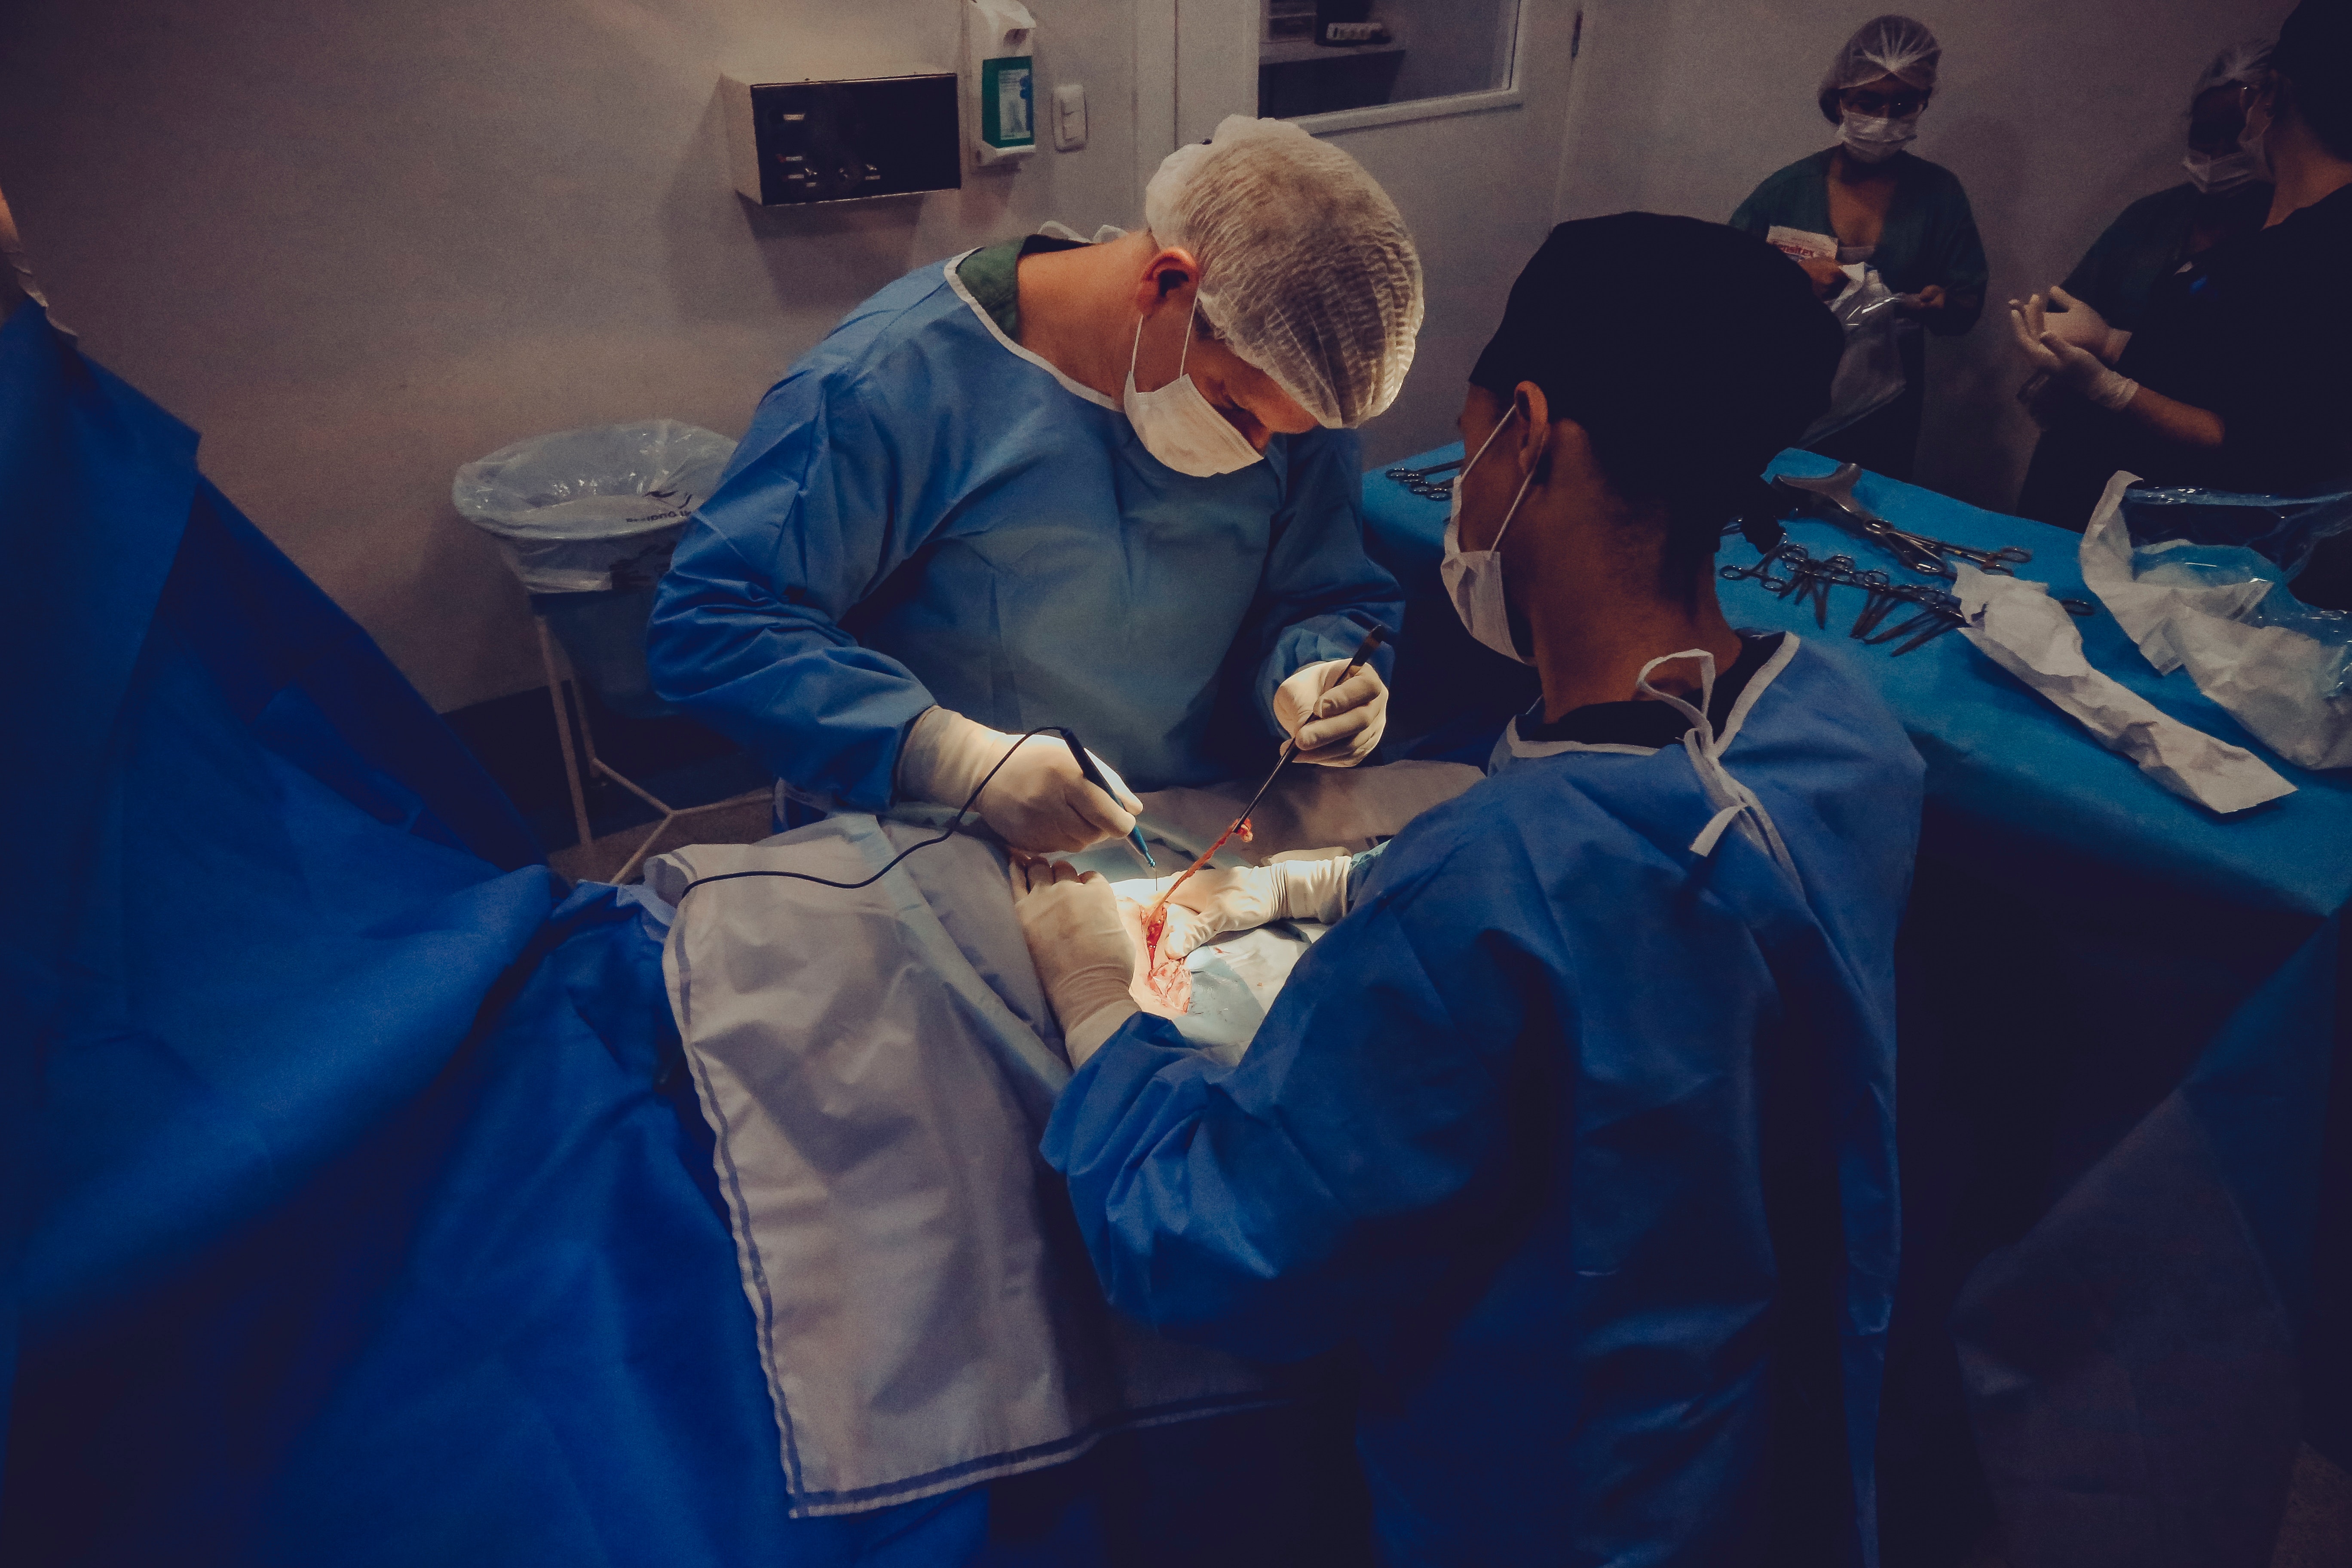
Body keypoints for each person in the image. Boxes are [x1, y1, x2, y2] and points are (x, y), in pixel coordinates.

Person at [1008, 214, 1924, 1565]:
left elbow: (1217, 1243)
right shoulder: (1842, 740)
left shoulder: (1493, 888)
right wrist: (1323, 884)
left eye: (1470, 431)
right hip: (1761, 1462)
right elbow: (1649, 896)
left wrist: (1104, 1011)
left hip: (1556, 1504)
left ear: (1530, 434)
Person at [648, 116, 1420, 853]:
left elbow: (1322, 589)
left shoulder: (1288, 385)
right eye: (1230, 403)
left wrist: (1321, 672)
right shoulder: (889, 384)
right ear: (1164, 284)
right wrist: (952, 757)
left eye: (1283, 432)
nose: (1255, 449)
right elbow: (713, 621)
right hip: (931, 838)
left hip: (1178, 826)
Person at [2009, 0, 2352, 604]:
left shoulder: (2294, 258)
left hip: (2197, 575)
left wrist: (2108, 387)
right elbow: (2242, 370)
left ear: (2270, 95)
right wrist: (2114, 344)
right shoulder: (2287, 245)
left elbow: (2247, 438)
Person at [2012, 40, 2275, 527]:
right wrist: (2050, 333)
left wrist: (2114, 348)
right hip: (2083, 453)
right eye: (2204, 134)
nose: (2217, 151)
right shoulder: (2151, 219)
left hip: (2186, 478)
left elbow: (2247, 393)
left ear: (2269, 131)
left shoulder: (2283, 243)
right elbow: (2068, 306)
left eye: (2234, 134)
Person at [1731, 14, 1987, 481]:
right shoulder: (1788, 191)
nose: (1884, 120)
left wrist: (1939, 302)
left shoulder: (1939, 195)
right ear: (1839, 98)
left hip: (1883, 405)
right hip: (1784, 394)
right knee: (1771, 504)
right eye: (1868, 103)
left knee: (1869, 512)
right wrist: (1791, 280)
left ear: (1923, 104)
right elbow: (1725, 280)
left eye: (1903, 105)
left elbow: (1967, 304)